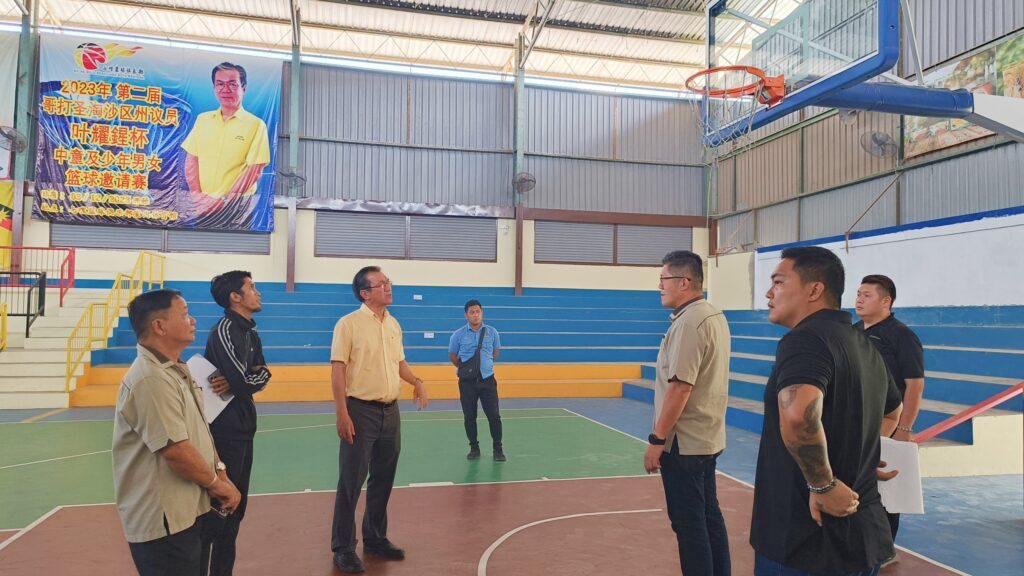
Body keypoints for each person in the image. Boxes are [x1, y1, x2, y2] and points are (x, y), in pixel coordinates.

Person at [751, 246, 903, 576]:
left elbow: (798, 415)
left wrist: (823, 485)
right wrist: (862, 457)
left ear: (814, 290)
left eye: (778, 282)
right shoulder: (864, 345)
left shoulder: (804, 339)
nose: (769, 293)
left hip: (806, 540)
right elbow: (893, 411)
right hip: (862, 537)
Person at [112, 289, 241, 576]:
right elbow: (175, 450)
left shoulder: (175, 370)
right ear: (159, 326)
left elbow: (199, 431)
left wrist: (220, 471)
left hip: (188, 511)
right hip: (165, 521)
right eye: (184, 314)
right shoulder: (151, 379)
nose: (192, 320)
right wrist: (217, 485)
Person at [330, 266, 430, 574]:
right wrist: (342, 412)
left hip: (390, 411)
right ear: (365, 293)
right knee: (351, 480)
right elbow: (338, 369)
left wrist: (416, 381)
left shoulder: (393, 324)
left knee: (383, 478)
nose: (388, 286)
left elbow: (399, 362)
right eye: (381, 283)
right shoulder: (348, 324)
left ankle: (374, 538)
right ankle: (343, 547)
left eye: (388, 282)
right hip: (360, 411)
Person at [643, 250, 732, 575]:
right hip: (706, 437)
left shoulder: (690, 323)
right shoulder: (713, 315)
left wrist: (657, 440)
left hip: (684, 444)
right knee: (709, 517)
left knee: (690, 524)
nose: (660, 286)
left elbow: (680, 387)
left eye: (664, 279)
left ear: (684, 282)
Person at [202, 271, 271, 576]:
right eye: (252, 287)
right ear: (235, 297)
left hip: (244, 430)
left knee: (236, 511)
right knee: (219, 510)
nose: (258, 292)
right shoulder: (225, 330)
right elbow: (244, 381)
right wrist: (242, 381)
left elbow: (263, 373)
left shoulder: (251, 334)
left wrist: (241, 381)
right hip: (224, 432)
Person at [855, 274, 925, 564]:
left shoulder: (901, 336)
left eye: (867, 295)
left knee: (885, 490)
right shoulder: (853, 331)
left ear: (886, 301)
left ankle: (885, 550)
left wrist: (904, 427)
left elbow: (914, 384)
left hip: (888, 423)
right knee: (860, 484)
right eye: (858, 294)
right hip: (858, 423)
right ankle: (860, 546)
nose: (859, 300)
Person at [182, 62, 271, 218]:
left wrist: (225, 200)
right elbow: (192, 160)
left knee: (234, 236)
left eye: (232, 84)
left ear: (244, 88)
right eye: (220, 84)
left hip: (237, 206)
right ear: (214, 88)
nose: (225, 89)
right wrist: (197, 196)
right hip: (203, 204)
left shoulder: (256, 125)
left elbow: (254, 170)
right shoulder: (203, 120)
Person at [448, 299, 505, 461]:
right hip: (467, 383)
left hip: (487, 380)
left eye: (478, 311)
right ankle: (474, 448)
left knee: (494, 416)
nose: (475, 315)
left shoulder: (492, 332)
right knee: (469, 417)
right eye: (471, 312)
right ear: (466, 315)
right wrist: (468, 369)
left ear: (482, 313)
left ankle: (498, 449)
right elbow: (453, 356)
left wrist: (484, 365)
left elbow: (495, 352)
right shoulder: (458, 335)